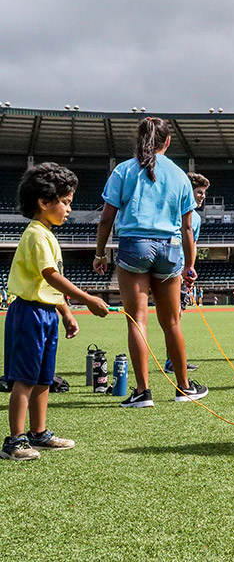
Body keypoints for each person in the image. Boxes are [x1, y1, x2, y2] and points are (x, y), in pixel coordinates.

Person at [94, 117, 208, 408]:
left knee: (138, 320)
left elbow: (107, 217)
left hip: (133, 246)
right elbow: (186, 228)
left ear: (139, 141)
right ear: (167, 142)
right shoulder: (181, 175)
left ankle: (143, 392)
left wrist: (99, 253)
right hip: (169, 249)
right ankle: (184, 388)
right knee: (171, 322)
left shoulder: (124, 170)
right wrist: (190, 265)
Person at [2, 163, 110, 461]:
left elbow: (48, 283)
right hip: (29, 314)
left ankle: (39, 433)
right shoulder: (36, 235)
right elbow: (50, 276)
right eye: (65, 202)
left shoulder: (47, 233)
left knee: (43, 377)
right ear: (44, 202)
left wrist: (65, 312)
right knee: (24, 378)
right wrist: (87, 299)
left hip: (46, 313)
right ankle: (14, 440)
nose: (68, 210)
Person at [163, 172, 209, 374]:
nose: (202, 196)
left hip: (183, 270)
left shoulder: (196, 219)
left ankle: (172, 359)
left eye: (204, 193)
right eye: (199, 192)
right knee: (174, 315)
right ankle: (172, 361)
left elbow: (193, 244)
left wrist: (190, 268)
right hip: (170, 267)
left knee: (178, 314)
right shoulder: (172, 212)